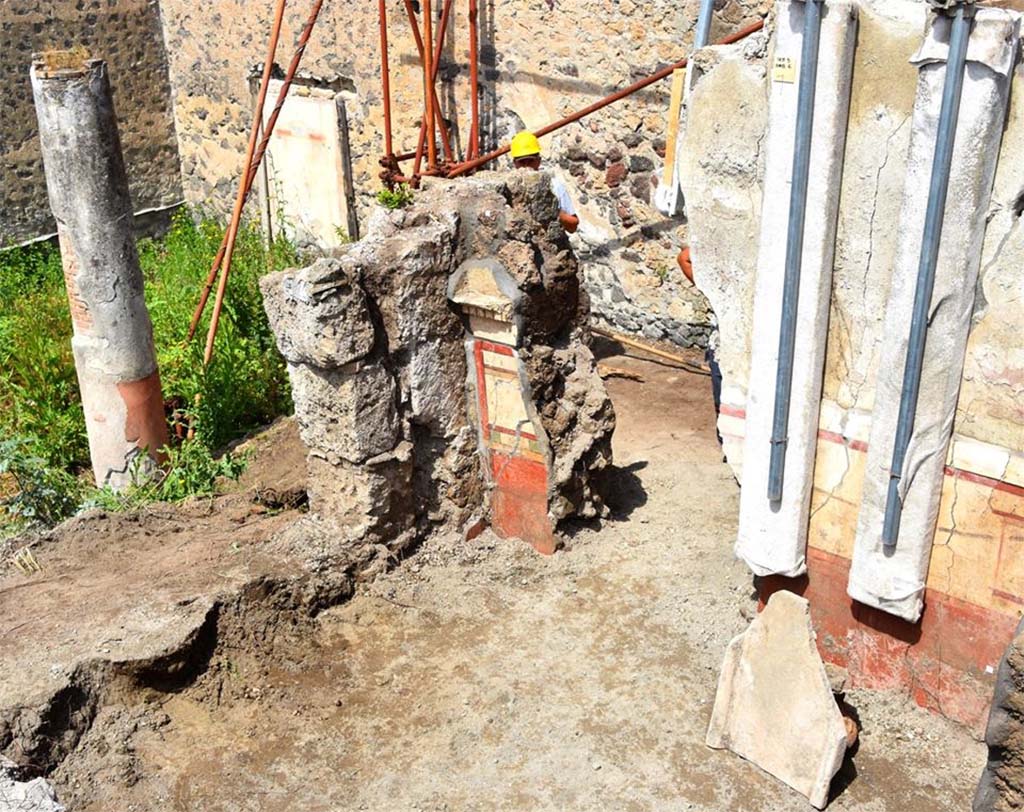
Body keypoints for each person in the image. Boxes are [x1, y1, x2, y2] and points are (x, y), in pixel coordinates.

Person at [678, 245, 724, 447]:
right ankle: (728, 441)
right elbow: (685, 257)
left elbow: (684, 258)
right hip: (724, 344)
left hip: (725, 344)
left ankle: (727, 440)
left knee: (724, 393)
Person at [509, 131, 580, 234]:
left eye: (530, 161)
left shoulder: (555, 186)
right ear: (515, 163)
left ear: (539, 160)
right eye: (522, 162)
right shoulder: (509, 189)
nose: (526, 166)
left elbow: (573, 225)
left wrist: (554, 212)